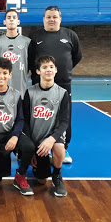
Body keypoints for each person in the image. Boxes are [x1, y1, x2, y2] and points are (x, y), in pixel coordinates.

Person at [28, 5, 82, 164]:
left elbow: (76, 57)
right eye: (48, 17)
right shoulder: (35, 36)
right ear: (44, 19)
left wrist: (64, 70)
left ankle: (63, 147)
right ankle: (35, 146)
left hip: (63, 83)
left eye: (55, 17)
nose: (51, 19)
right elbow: (30, 59)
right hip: (40, 85)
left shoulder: (70, 35)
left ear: (60, 18)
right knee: (38, 115)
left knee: (65, 115)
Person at [0, 57, 35, 195]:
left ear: (10, 75)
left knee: (29, 147)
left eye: (4, 73)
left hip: (10, 134)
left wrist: (15, 136)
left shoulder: (16, 95)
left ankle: (20, 176)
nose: (1, 76)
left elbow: (20, 119)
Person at [23, 55, 70, 197]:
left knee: (59, 146)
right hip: (36, 138)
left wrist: (52, 138)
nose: (48, 70)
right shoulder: (30, 92)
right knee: (41, 180)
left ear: (56, 70)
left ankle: (57, 174)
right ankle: (48, 161)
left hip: (52, 136)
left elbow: (64, 121)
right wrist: (30, 148)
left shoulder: (62, 93)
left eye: (51, 67)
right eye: (44, 67)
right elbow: (24, 120)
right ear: (38, 71)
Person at [0, 9, 31, 99]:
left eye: (14, 17)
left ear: (18, 22)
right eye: (8, 17)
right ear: (4, 22)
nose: (11, 19)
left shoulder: (27, 42)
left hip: (21, 88)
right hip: (2, 89)